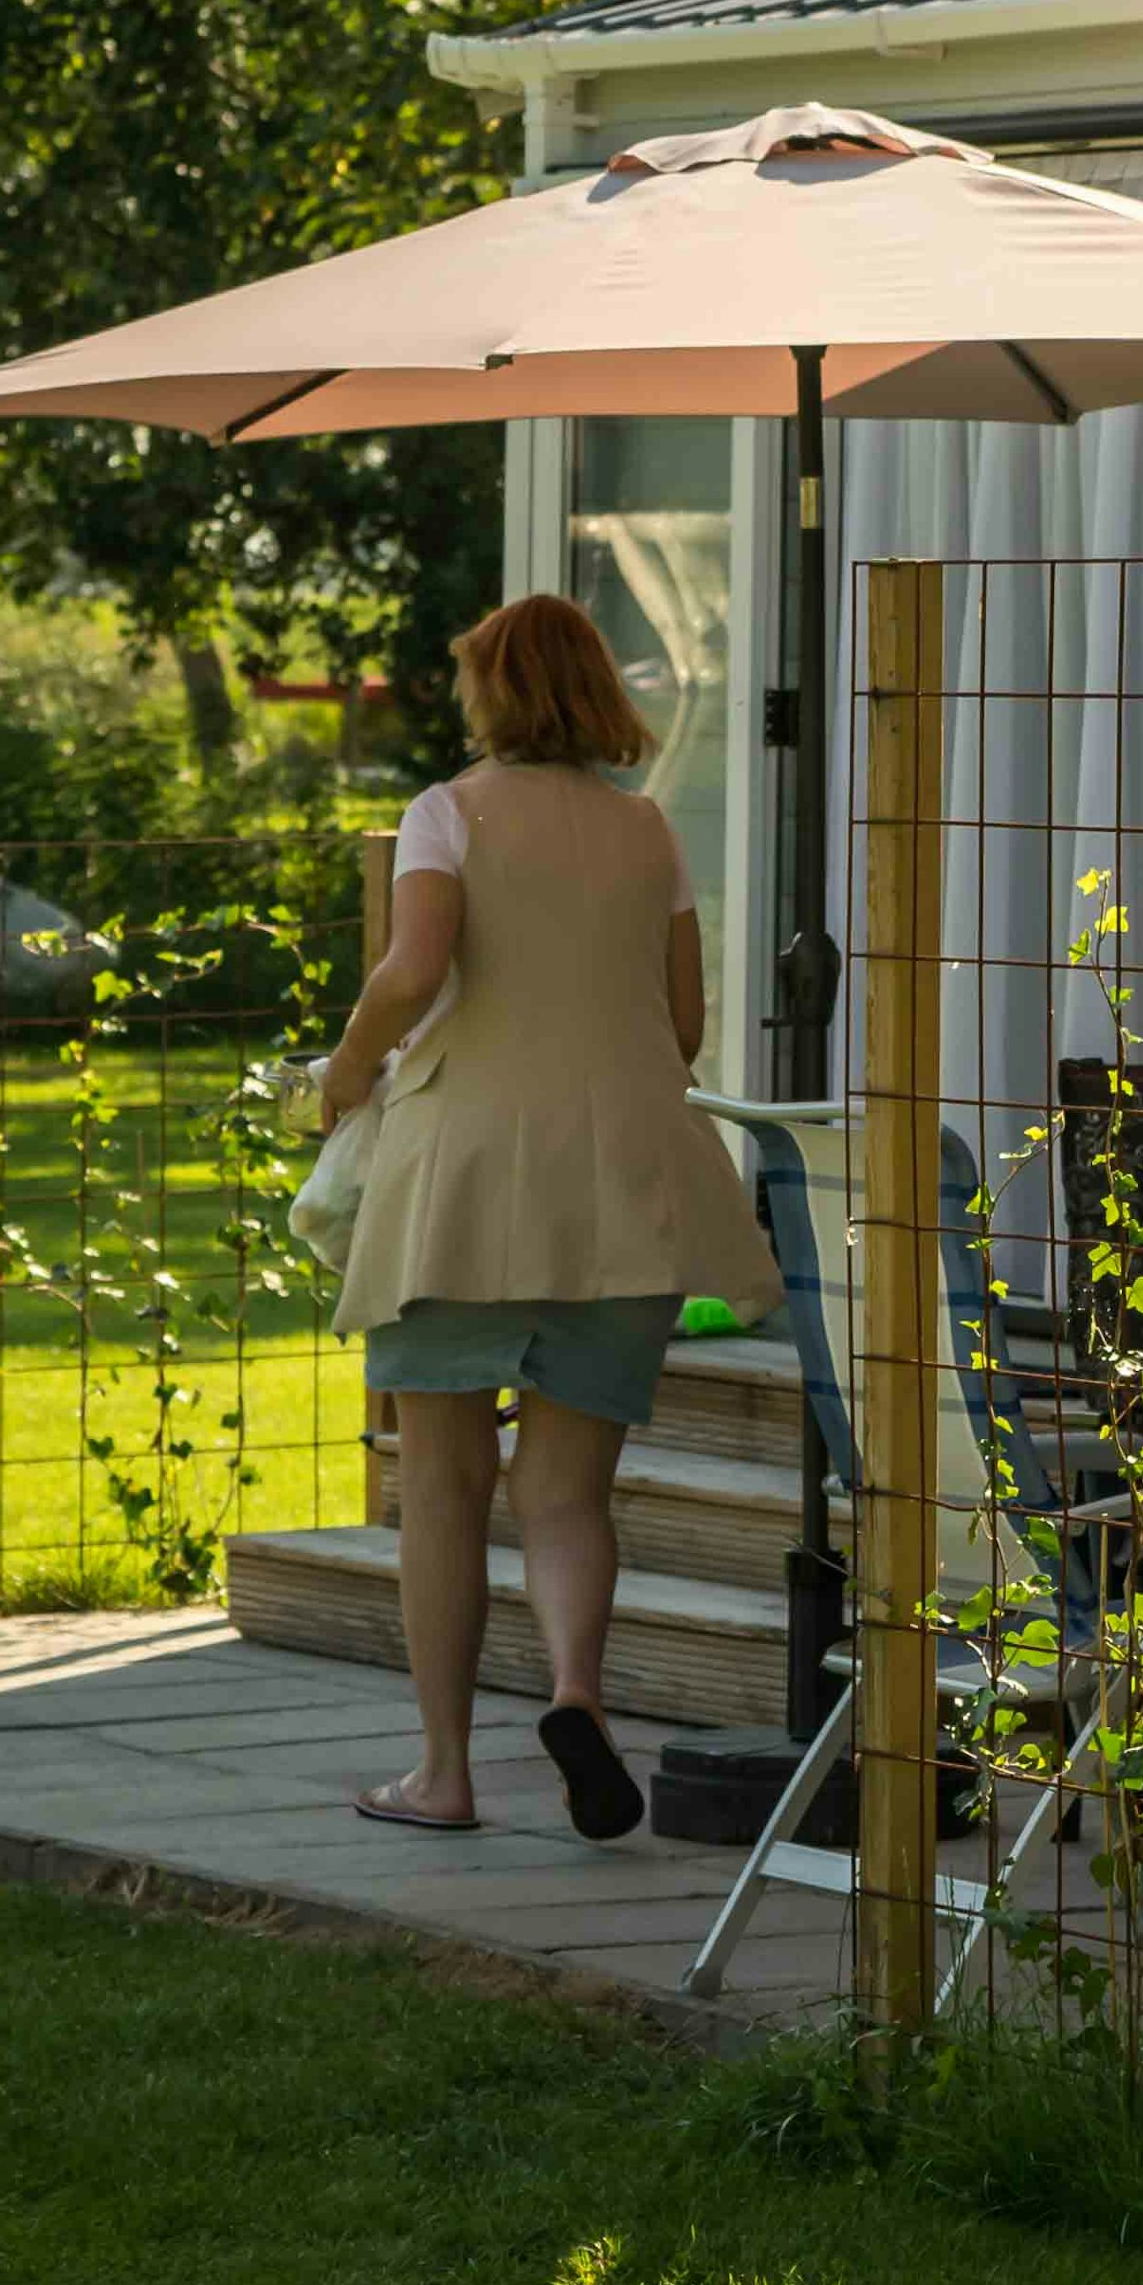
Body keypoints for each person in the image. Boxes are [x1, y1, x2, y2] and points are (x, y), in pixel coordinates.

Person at [309, 594, 781, 1841]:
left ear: (490, 692)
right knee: (567, 1492)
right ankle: (577, 1692)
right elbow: (683, 1026)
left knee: (444, 1484)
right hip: (623, 1188)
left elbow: (414, 968)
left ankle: (442, 1775)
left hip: (459, 1189)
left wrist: (347, 1067)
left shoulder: (445, 814)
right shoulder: (647, 829)